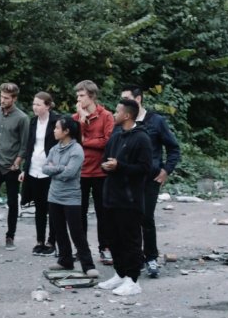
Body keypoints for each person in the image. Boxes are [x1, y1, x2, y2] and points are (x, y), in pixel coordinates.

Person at [120, 86, 181, 278]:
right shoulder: (123, 122)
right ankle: (133, 258)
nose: (123, 103)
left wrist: (166, 171)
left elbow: (173, 148)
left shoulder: (156, 121)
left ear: (138, 99)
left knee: (146, 217)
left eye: (127, 98)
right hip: (128, 177)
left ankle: (151, 258)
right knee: (128, 219)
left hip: (150, 178)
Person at [97, 99, 152, 296]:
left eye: (117, 110)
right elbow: (106, 159)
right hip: (111, 196)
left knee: (130, 240)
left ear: (127, 115)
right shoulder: (116, 136)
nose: (113, 113)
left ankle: (133, 279)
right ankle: (119, 274)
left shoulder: (142, 138)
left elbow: (146, 169)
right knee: (113, 239)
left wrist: (120, 166)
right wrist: (107, 165)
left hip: (130, 200)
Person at [44, 116, 100, 278]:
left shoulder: (77, 150)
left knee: (77, 232)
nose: (54, 130)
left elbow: (69, 173)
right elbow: (45, 168)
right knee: (59, 230)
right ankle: (65, 260)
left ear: (66, 131)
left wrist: (56, 169)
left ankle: (87, 265)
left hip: (71, 197)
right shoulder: (55, 149)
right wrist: (59, 169)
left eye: (57, 128)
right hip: (54, 195)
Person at [0, 83, 30, 250]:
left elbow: (24, 144)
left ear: (14, 99)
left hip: (11, 166)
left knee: (12, 203)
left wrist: (17, 162)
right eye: (1, 97)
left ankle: (10, 236)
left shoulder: (22, 118)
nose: (3, 100)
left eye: (6, 98)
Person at [72, 80, 114, 264]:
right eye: (77, 96)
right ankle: (82, 250)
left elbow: (108, 141)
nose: (78, 99)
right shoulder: (75, 118)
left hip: (100, 171)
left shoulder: (106, 116)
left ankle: (105, 248)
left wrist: (86, 141)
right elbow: (73, 142)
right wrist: (82, 122)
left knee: (103, 212)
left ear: (92, 96)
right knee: (79, 213)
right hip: (80, 171)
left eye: (81, 96)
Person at [18, 92, 58, 256]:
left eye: (38, 104)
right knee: (39, 208)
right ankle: (39, 240)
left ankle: (51, 241)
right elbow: (30, 145)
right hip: (34, 168)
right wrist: (24, 169)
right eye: (34, 104)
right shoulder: (33, 121)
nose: (35, 107)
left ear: (47, 106)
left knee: (52, 208)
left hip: (49, 170)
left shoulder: (56, 121)